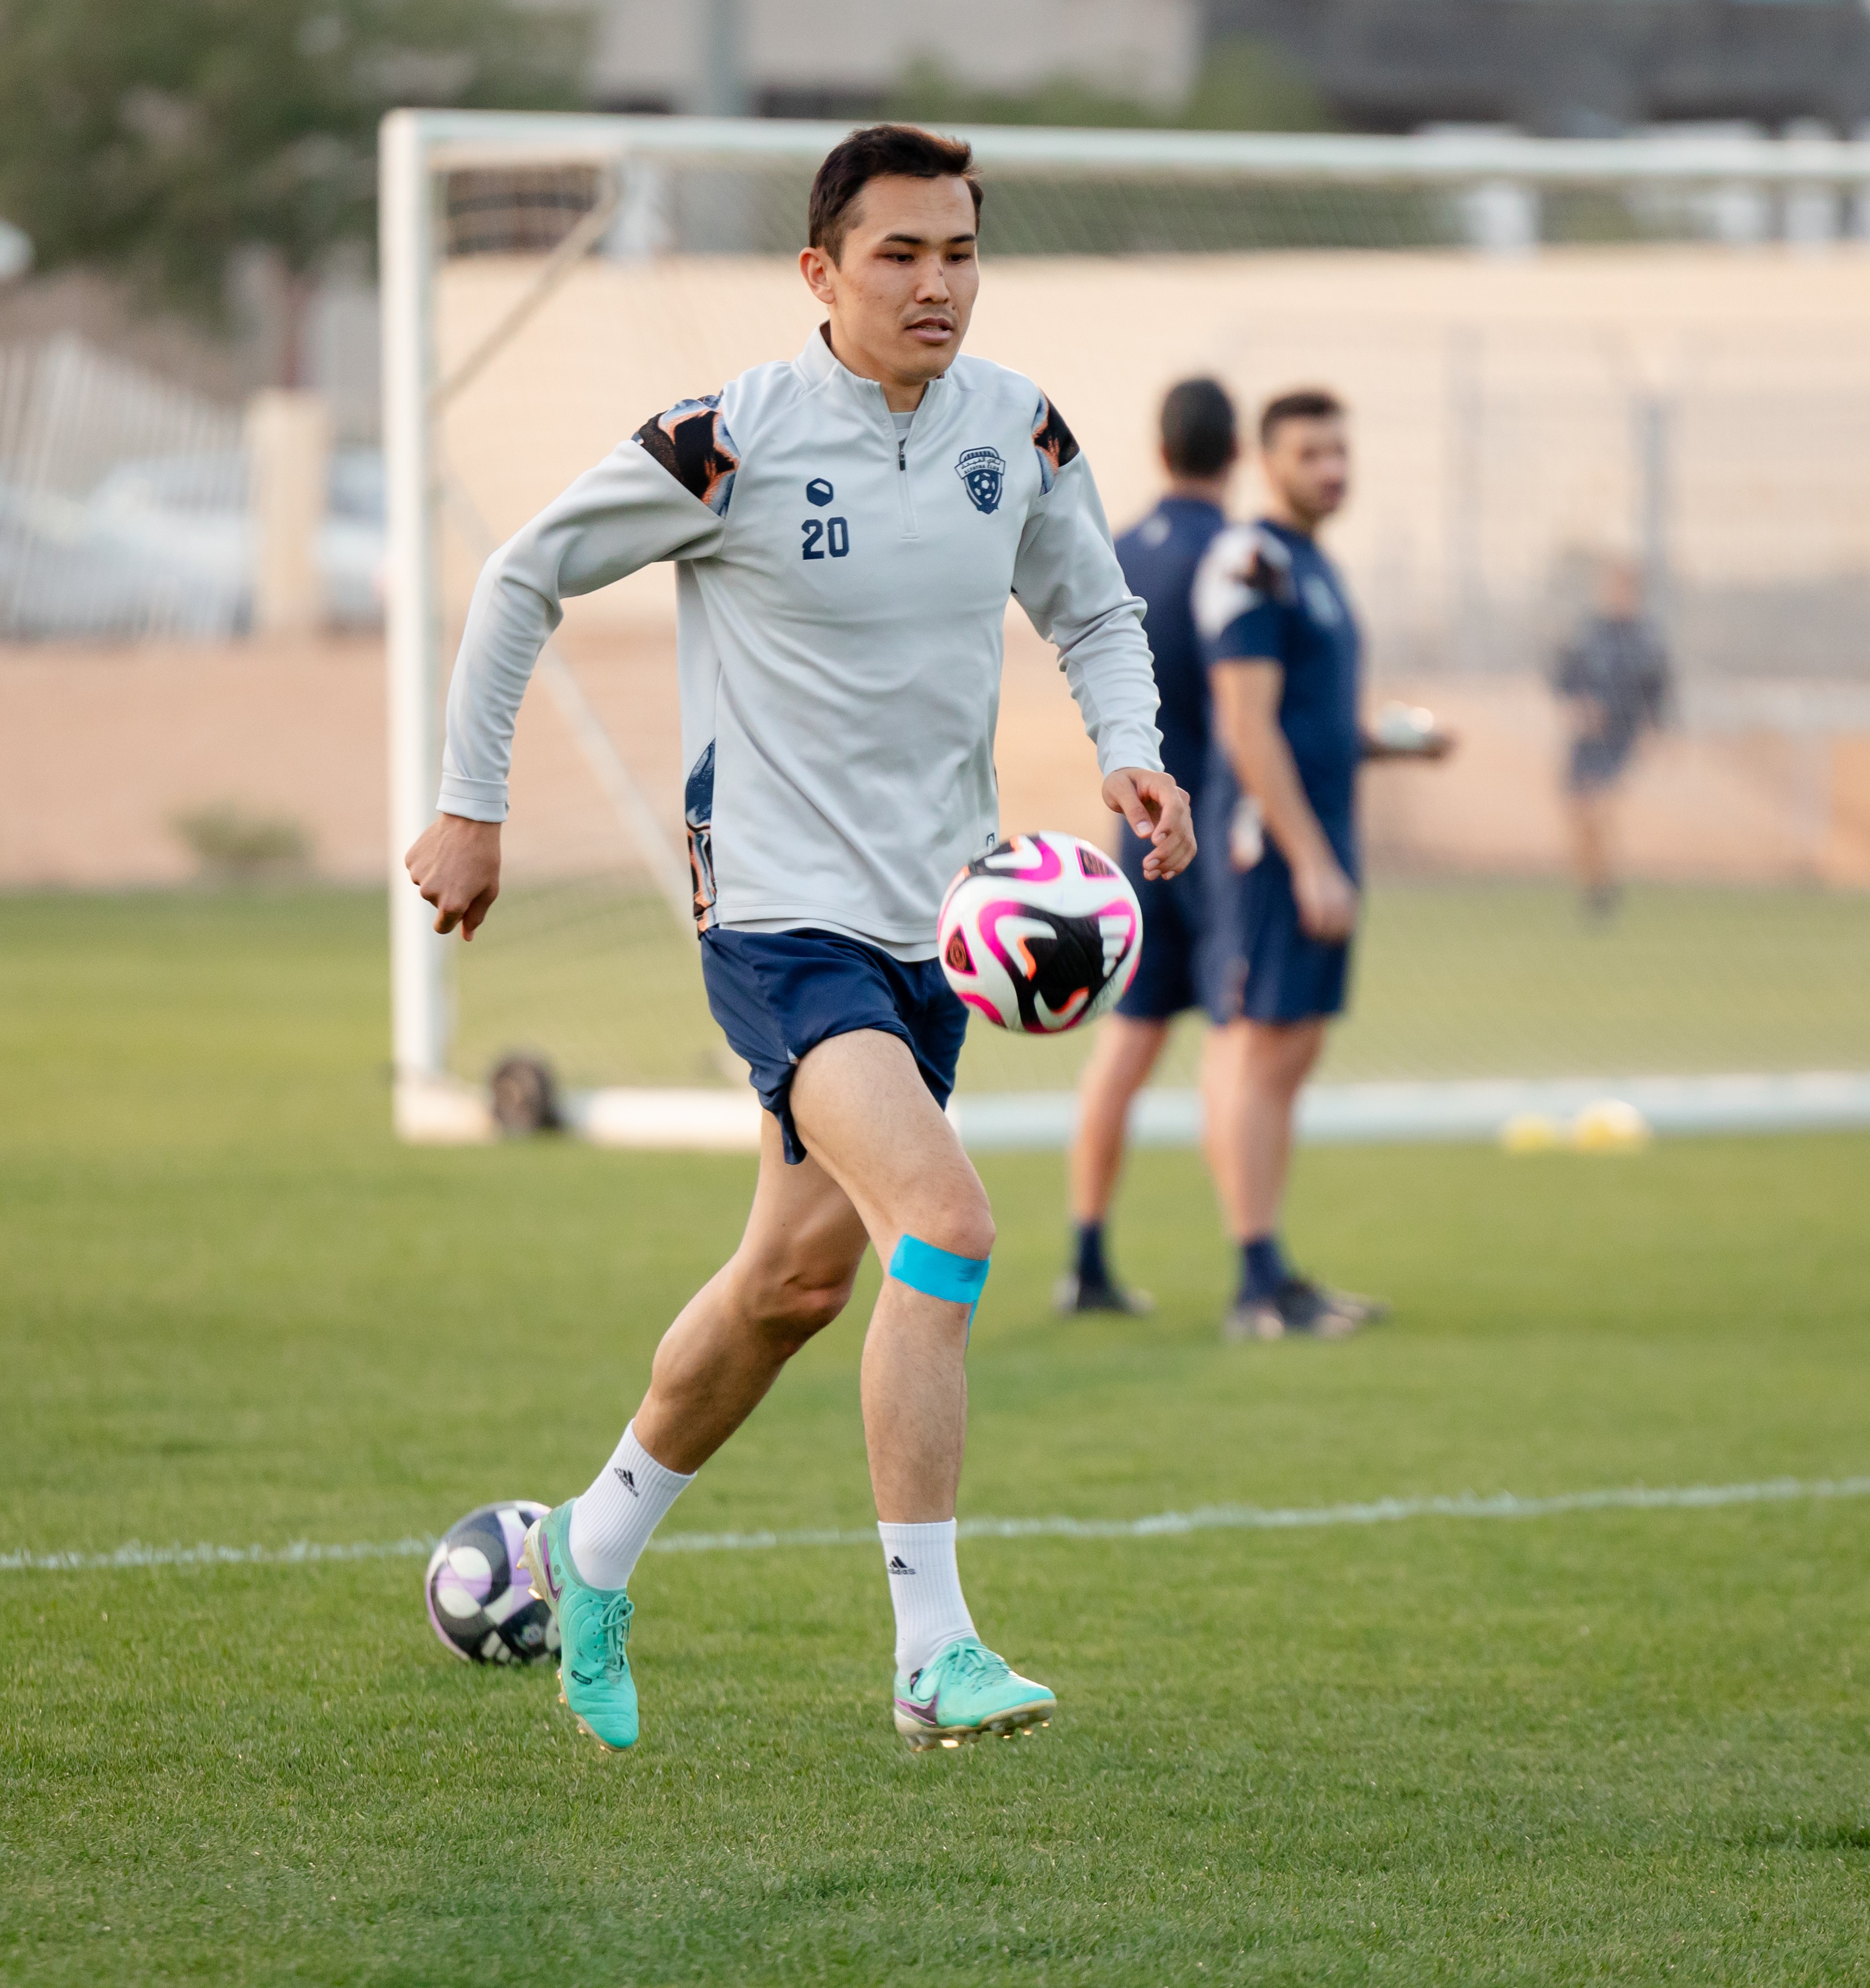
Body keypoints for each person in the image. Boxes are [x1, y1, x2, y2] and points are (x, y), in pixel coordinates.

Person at [403, 125, 1194, 1756]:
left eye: (959, 254)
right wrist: (469, 807)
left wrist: (1134, 747)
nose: (936, 286)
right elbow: (520, 575)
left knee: (794, 1280)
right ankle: (932, 1654)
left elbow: (1096, 614)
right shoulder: (727, 443)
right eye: (899, 256)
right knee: (948, 1220)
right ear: (820, 275)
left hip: (937, 935)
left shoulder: (1017, 431)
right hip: (773, 918)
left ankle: (585, 1552)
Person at [1194, 389, 1448, 1342]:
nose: (1331, 469)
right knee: (1264, 1053)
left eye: (1340, 451)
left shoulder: (1312, 566)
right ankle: (1257, 1286)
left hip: (1319, 834)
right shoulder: (1251, 560)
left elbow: (1312, 724)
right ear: (1267, 462)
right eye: (1310, 453)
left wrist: (1392, 744)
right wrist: (1309, 861)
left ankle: (1275, 1274)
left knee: (1285, 1054)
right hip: (1273, 846)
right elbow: (1246, 726)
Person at [1058, 377, 1239, 1319]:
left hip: (1134, 843)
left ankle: (1084, 1260)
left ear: (1162, 449)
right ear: (1236, 451)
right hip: (1214, 844)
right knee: (1235, 1049)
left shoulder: (1116, 549)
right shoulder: (1238, 559)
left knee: (1123, 1055)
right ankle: (1256, 1262)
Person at [1551, 557, 1668, 921]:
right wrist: (1576, 706)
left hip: (1621, 736)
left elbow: (1659, 689)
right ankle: (1593, 889)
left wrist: (1656, 729)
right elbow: (1562, 677)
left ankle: (1605, 888)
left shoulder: (1645, 638)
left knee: (1602, 807)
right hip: (1586, 738)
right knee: (1579, 814)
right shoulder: (1586, 633)